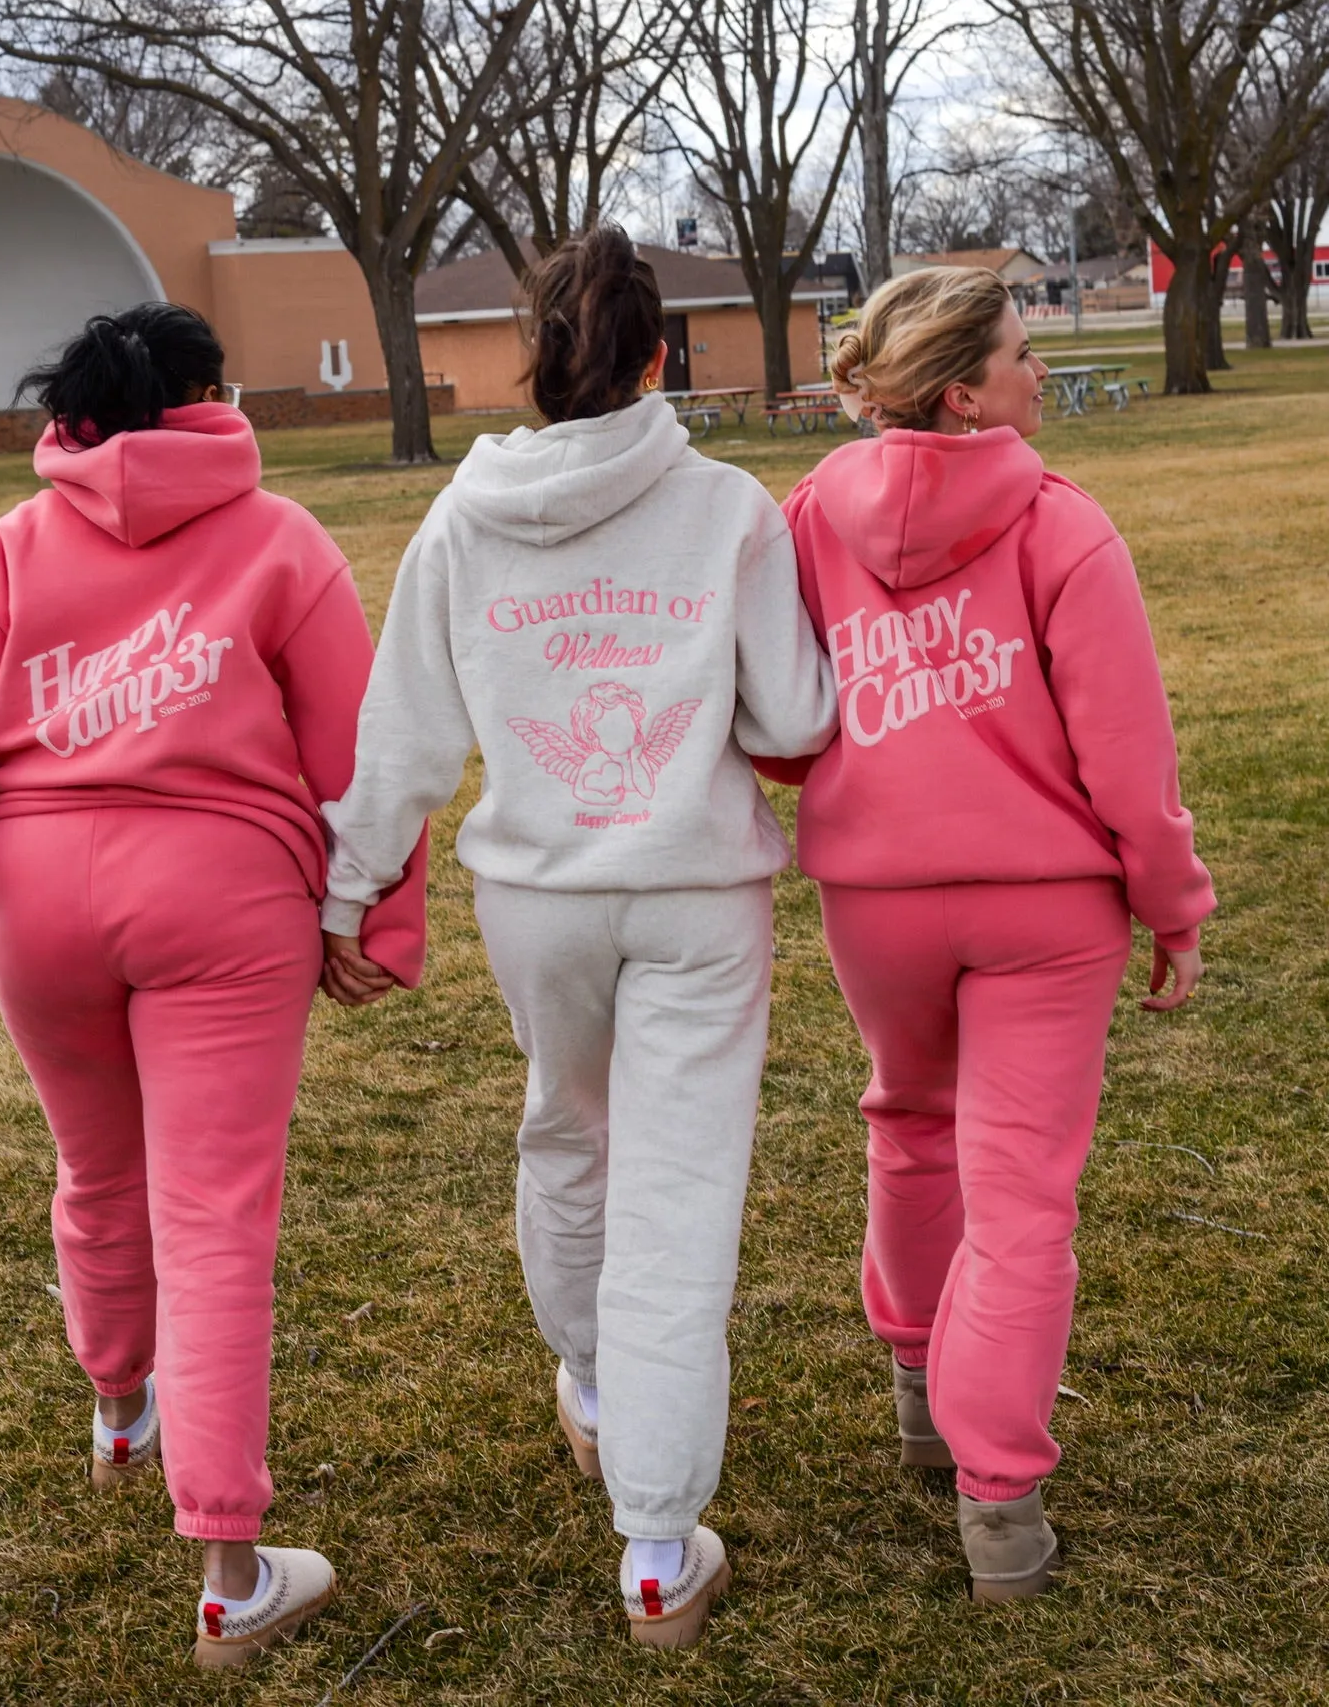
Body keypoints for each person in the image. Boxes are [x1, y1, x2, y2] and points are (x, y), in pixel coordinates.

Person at [0, 304, 425, 1672]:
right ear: (208, 397)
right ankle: (229, 1569)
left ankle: (119, 1412)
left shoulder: (11, 547)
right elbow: (358, 763)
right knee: (213, 1216)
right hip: (226, 904)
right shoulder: (282, 541)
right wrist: (376, 922)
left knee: (96, 1172)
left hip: (43, 901)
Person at [316, 225, 836, 1649]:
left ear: (530, 368)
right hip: (690, 894)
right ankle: (656, 1541)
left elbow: (403, 735)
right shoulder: (729, 508)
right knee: (675, 1195)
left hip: (536, 897)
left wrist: (345, 889)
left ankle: (599, 1390)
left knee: (568, 1130)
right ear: (663, 355)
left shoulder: (461, 520)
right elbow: (794, 719)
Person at [770, 266, 1213, 1604]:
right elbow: (1126, 759)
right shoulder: (1065, 528)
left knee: (909, 1124)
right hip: (1042, 910)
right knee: (1020, 1197)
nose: (1038, 374)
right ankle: (1000, 1507)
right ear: (964, 391)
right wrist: (1170, 902)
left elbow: (782, 724)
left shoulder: (803, 524)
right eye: (1023, 354)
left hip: (876, 897)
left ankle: (919, 1390)